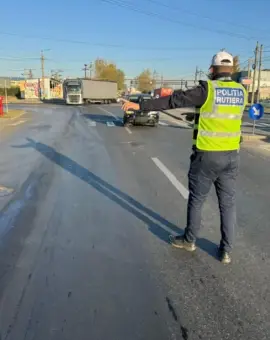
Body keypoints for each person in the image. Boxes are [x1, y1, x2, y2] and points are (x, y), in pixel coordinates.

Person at [122, 51, 247, 264]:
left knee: (197, 200)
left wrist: (139, 106)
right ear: (231, 70)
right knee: (228, 204)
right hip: (231, 156)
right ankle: (226, 251)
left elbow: (174, 100)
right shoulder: (241, 91)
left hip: (207, 155)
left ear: (212, 70)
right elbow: (225, 118)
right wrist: (197, 116)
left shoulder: (208, 89)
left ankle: (189, 241)